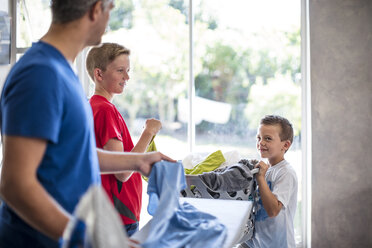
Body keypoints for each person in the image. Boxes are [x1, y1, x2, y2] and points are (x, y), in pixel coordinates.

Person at [0, 1, 173, 247]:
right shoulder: (40, 74)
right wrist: (94, 237)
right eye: (110, 8)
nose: (109, 17)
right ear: (96, 10)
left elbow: (71, 153)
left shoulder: (61, 70)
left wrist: (137, 160)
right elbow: (15, 184)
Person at [86, 43, 161, 236]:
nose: (127, 77)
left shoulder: (94, 106)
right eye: (120, 71)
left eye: (127, 71)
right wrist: (148, 133)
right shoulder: (105, 111)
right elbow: (123, 172)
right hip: (118, 219)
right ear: (99, 74)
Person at [244, 115, 298, 248]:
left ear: (285, 145)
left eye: (267, 138)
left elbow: (273, 211)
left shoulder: (286, 173)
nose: (261, 143)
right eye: (259, 138)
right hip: (256, 243)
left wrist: (261, 178)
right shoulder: (264, 168)